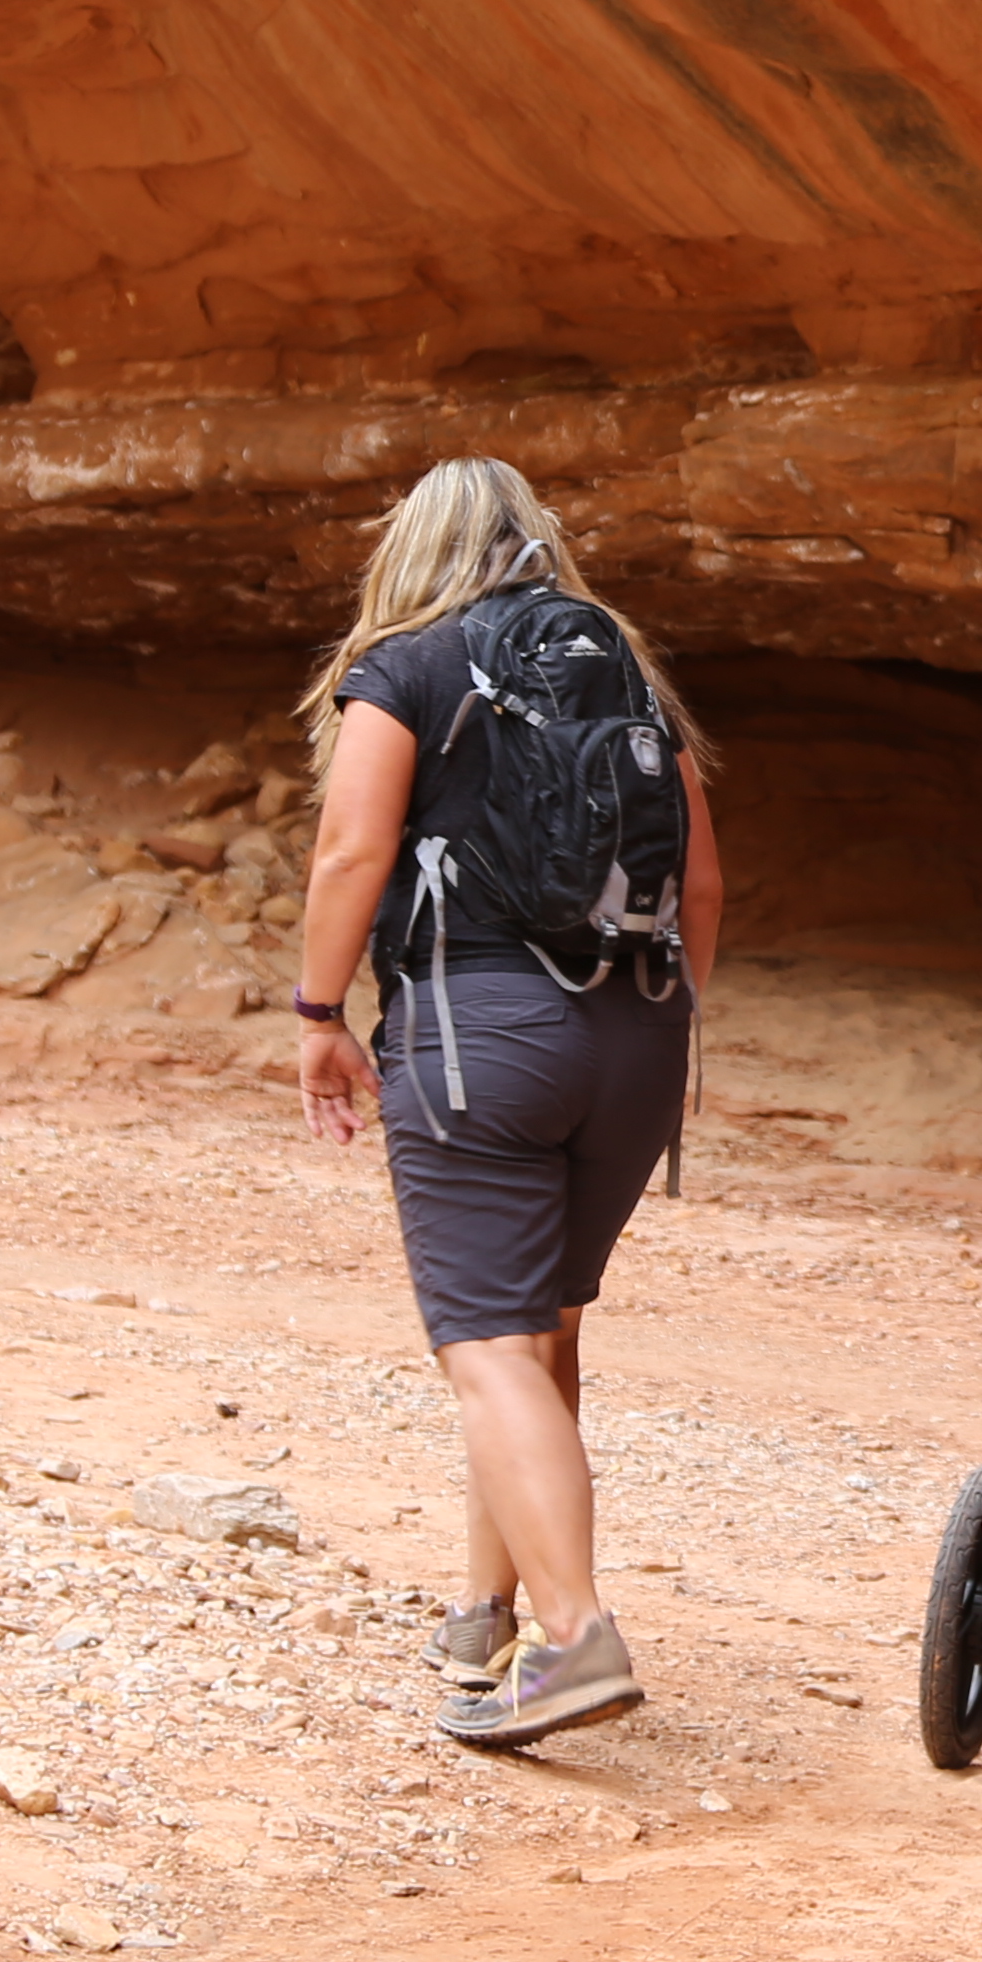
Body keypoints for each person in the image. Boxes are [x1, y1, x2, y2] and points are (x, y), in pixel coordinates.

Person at [291, 458, 720, 1748]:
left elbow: (353, 851)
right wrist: (661, 1020)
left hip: (481, 1031)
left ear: (411, 550)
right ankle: (489, 1609)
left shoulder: (411, 668)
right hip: (639, 1033)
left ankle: (577, 1638)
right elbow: (700, 886)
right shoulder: (628, 680)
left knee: (485, 1344)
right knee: (544, 1333)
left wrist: (318, 1016)